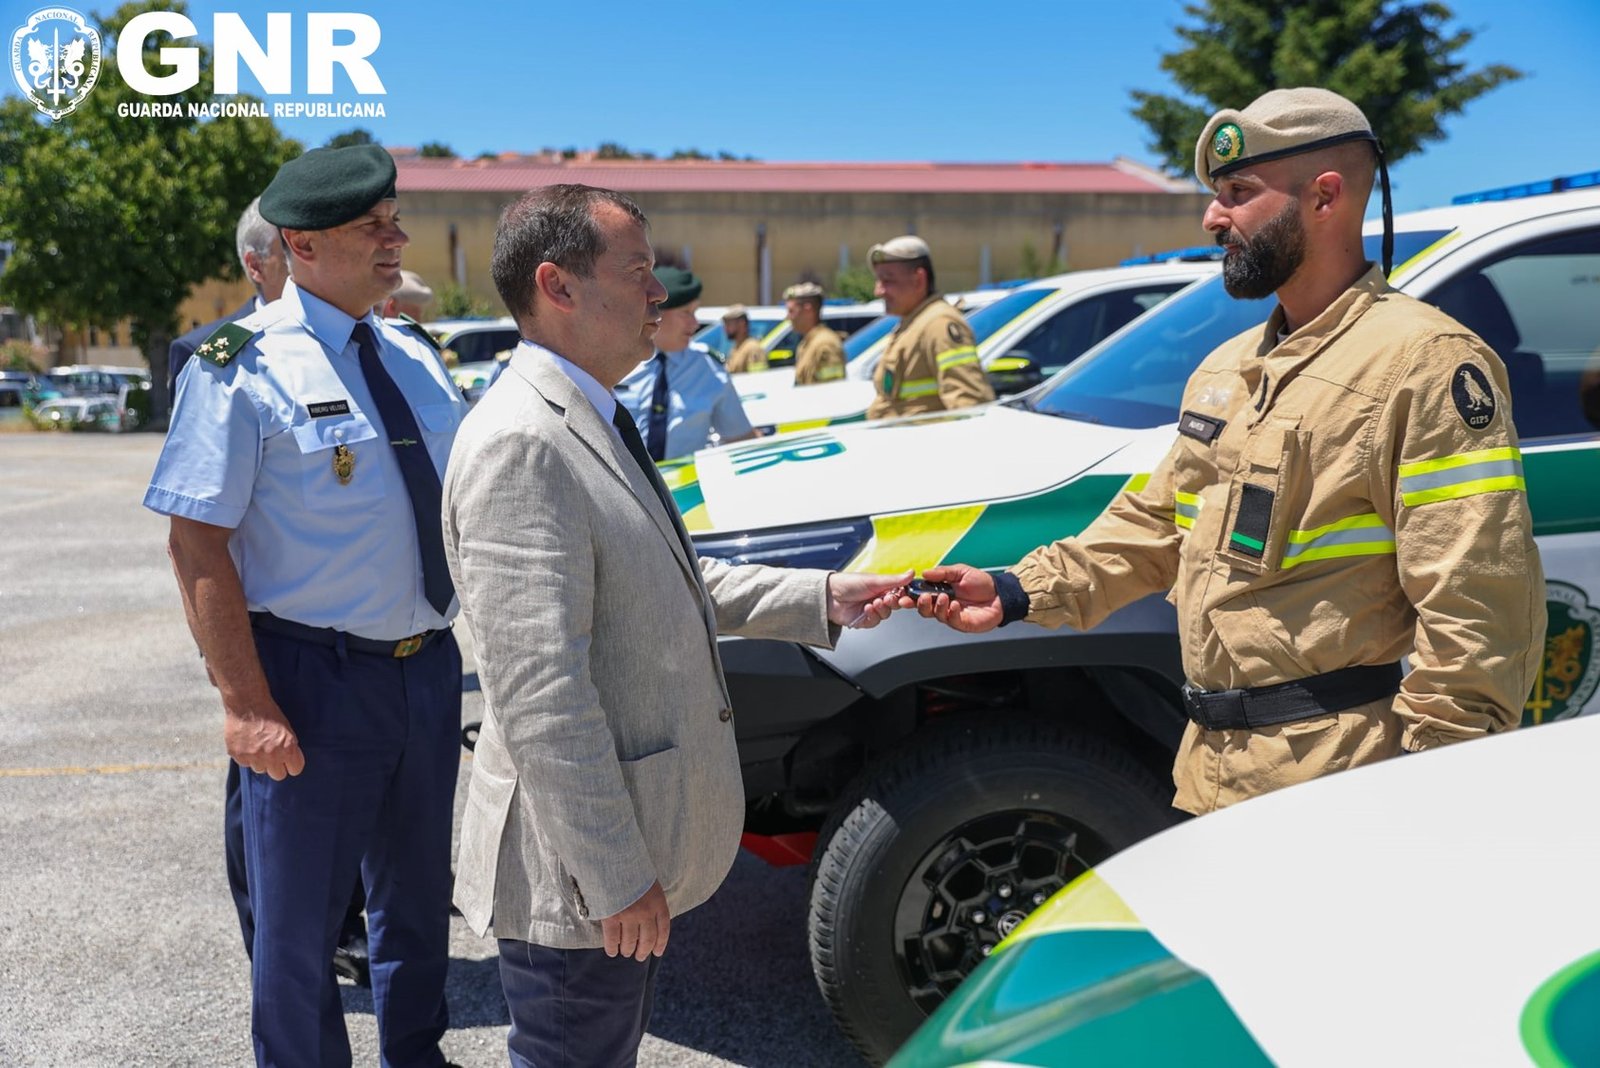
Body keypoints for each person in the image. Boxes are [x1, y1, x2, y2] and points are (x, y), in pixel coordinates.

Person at [912, 87, 1545, 815]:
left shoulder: (1424, 363)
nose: (1213, 218)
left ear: (1326, 197)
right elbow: (1151, 529)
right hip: (1210, 771)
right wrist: (1019, 590)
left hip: (1344, 784)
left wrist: (1431, 790)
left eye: (1239, 193)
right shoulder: (1225, 370)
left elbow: (1479, 611)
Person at [443, 183, 909, 1068]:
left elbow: (664, 579)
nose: (660, 295)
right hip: (576, 881)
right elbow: (540, 693)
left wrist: (820, 600)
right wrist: (615, 877)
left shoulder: (582, 412)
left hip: (604, 870)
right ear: (560, 285)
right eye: (639, 273)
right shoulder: (522, 443)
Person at [145, 143, 467, 1067]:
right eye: (374, 226)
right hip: (309, 680)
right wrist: (245, 705)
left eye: (394, 219)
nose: (396, 237)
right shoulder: (237, 363)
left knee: (416, 911)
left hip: (425, 669)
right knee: (297, 935)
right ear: (302, 244)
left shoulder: (409, 349)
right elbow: (195, 541)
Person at [616, 265, 757, 460]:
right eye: (686, 313)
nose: (695, 323)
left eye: (695, 312)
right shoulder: (616, 360)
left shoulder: (709, 369)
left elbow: (741, 440)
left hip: (681, 488)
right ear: (656, 312)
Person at [167, 197, 288, 404]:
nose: (308, 261)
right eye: (290, 251)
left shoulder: (347, 332)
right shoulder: (204, 350)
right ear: (256, 265)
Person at [866, 235, 994, 419]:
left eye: (888, 281)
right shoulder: (915, 323)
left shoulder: (939, 324)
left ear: (919, 279)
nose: (878, 291)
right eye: (879, 281)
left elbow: (970, 406)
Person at [783, 282, 846, 385]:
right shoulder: (806, 344)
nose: (788, 317)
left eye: (791, 311)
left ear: (808, 309)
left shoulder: (826, 344)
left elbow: (833, 389)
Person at [721, 304, 767, 373]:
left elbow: (758, 379)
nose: (725, 328)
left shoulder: (753, 348)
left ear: (742, 323)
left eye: (728, 324)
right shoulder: (736, 347)